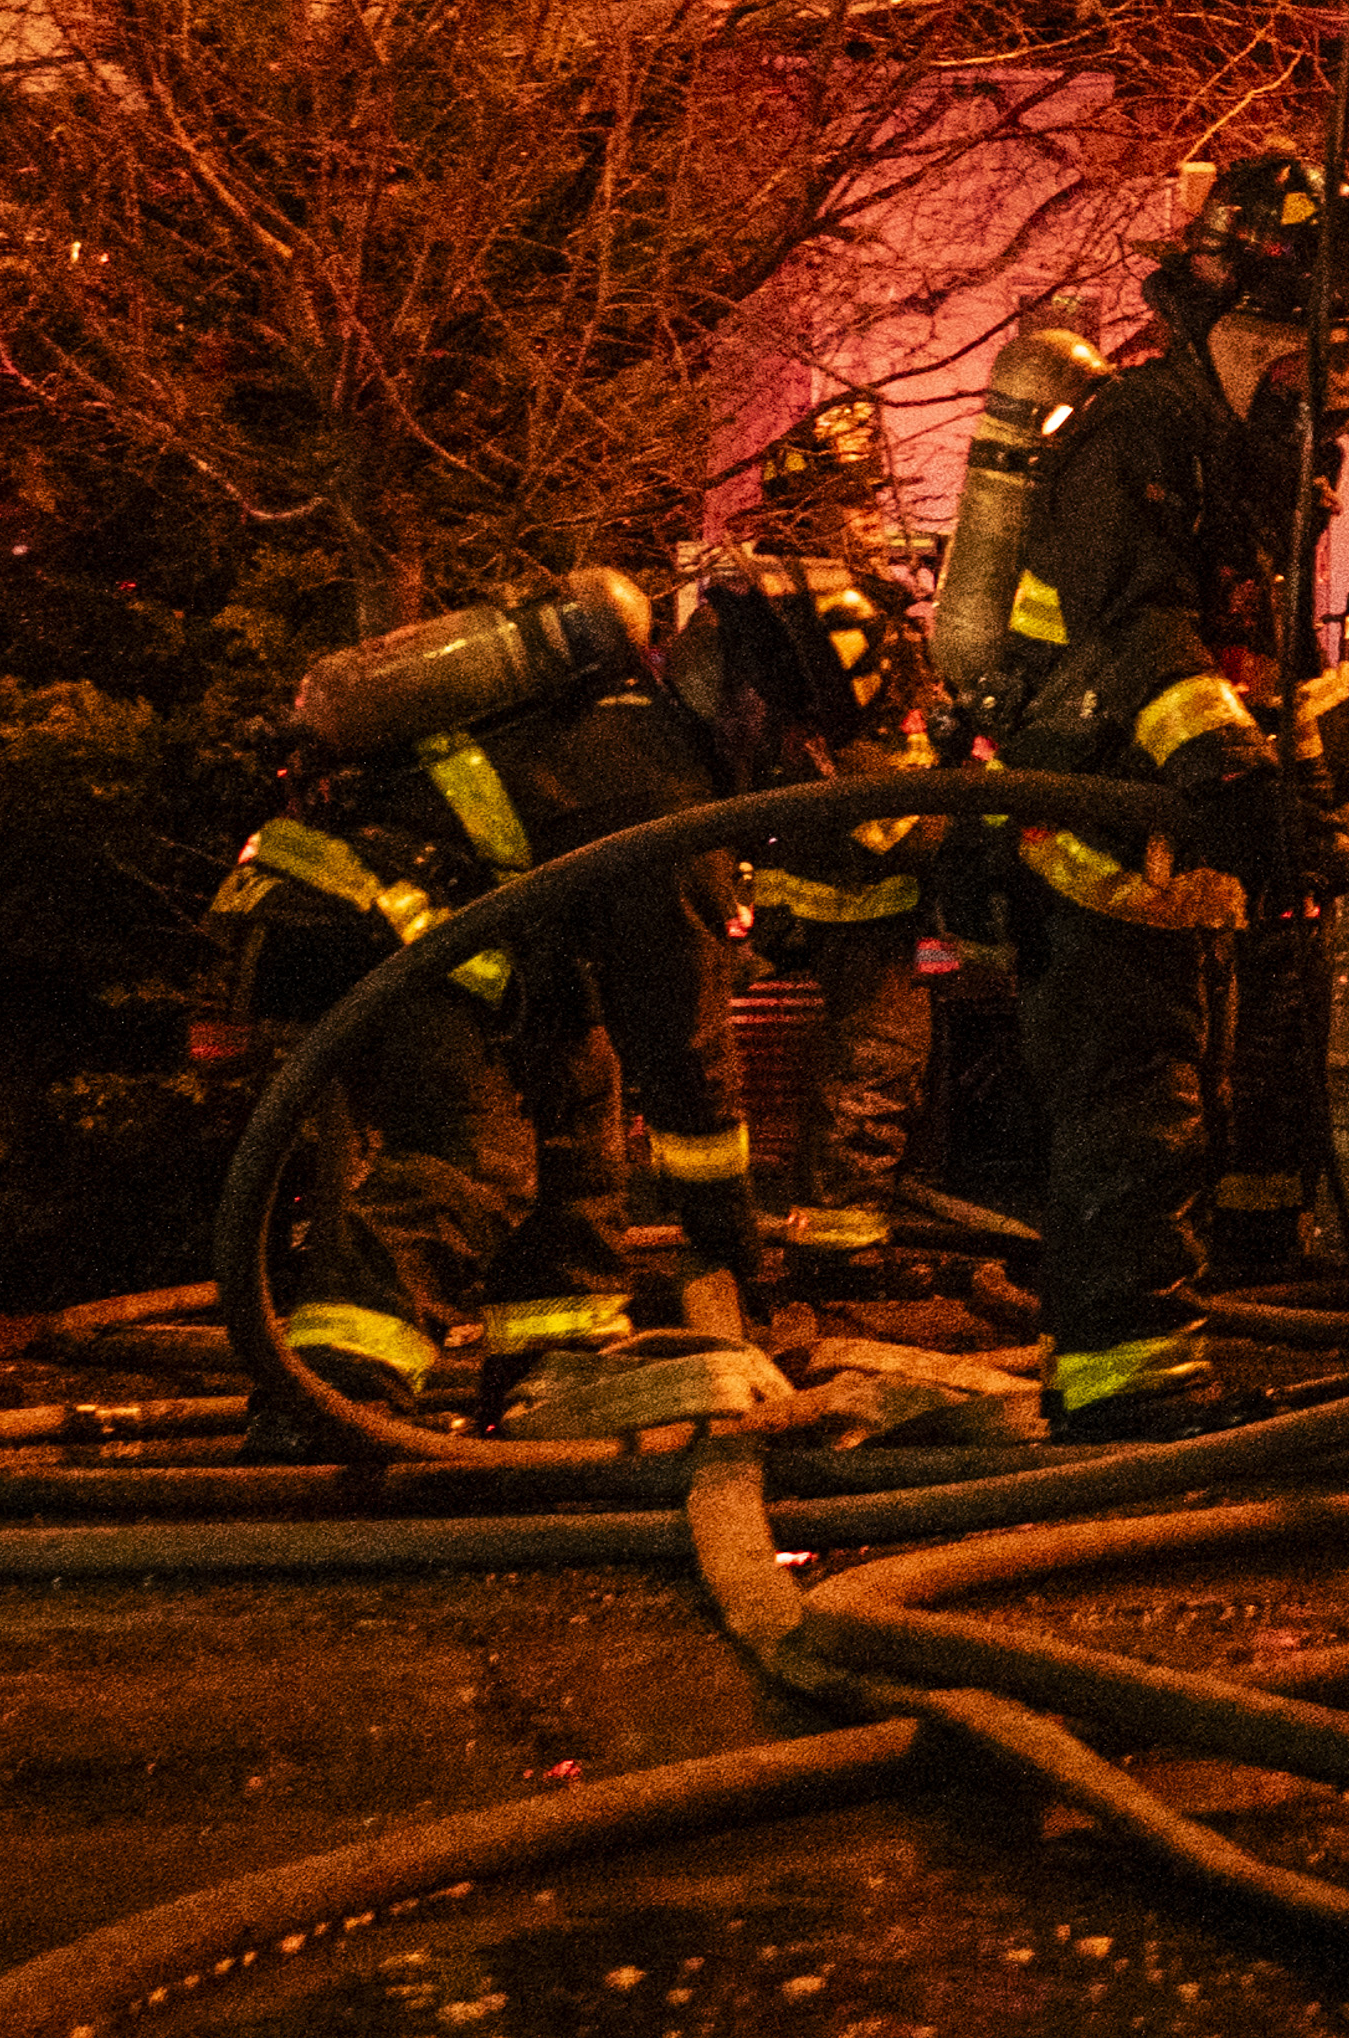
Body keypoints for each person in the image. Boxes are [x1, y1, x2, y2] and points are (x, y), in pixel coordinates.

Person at [246, 551, 880, 1440]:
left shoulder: (624, 722)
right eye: (793, 733)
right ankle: (324, 1400)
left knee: (579, 1121)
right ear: (752, 697)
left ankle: (549, 1374)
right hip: (369, 920)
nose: (789, 763)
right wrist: (730, 1246)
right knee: (475, 1159)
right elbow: (682, 1045)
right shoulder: (662, 790)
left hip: (414, 930)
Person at [984, 146, 1349, 1442]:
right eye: (1303, 348)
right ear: (1231, 325)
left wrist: (1326, 789)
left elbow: (1272, 648)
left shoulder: (1253, 465)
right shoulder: (1137, 433)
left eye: (1332, 354)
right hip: (1105, 840)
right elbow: (1136, 625)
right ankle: (1123, 1388)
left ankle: (1144, 1361)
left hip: (1186, 862)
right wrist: (1224, 766)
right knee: (1135, 1118)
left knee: (1188, 1114)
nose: (1328, 381)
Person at [725, 393, 953, 1288]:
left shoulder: (765, 602)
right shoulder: (825, 610)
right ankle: (839, 1248)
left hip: (797, 867)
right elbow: (872, 744)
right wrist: (933, 821)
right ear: (817, 500)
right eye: (857, 495)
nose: (871, 514)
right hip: (863, 874)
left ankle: (801, 1231)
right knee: (880, 1053)